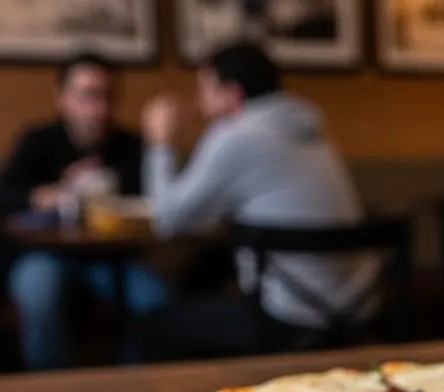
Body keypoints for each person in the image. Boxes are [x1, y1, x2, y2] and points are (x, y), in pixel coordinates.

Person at [133, 43, 374, 362]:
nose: (198, 102)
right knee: (201, 275)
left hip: (290, 316)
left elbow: (169, 219)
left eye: (204, 89)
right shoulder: (313, 129)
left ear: (231, 95)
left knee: (146, 330)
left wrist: (160, 143)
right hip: (355, 305)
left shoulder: (236, 134)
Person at [0, 53, 168, 370]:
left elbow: (156, 204)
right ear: (62, 98)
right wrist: (40, 196)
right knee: (39, 292)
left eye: (108, 96)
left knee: (154, 298)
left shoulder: (129, 145)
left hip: (114, 257)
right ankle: (51, 387)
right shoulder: (39, 140)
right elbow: (5, 193)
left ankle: (130, 384)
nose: (100, 109)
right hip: (46, 254)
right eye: (88, 96)